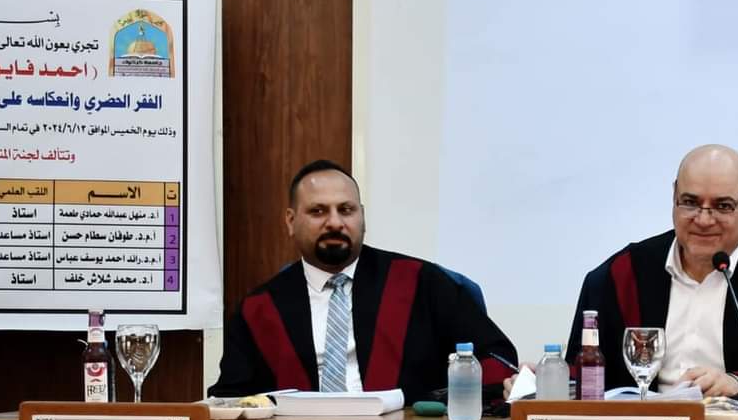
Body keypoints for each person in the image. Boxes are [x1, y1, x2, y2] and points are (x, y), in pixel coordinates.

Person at [210, 159, 517, 401]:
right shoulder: (260, 309)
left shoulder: (423, 284)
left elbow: (497, 359)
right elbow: (232, 398)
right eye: (318, 211)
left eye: (346, 210)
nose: (334, 222)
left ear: (362, 216)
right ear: (291, 221)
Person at [567, 144, 738, 407]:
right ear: (674, 196)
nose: (704, 220)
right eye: (690, 203)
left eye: (723, 206)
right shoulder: (623, 274)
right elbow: (578, 375)